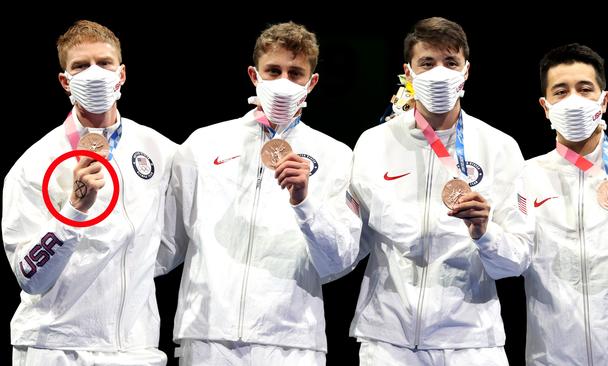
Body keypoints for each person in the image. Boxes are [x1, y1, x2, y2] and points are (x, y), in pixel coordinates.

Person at [156, 21, 361, 365]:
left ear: (312, 83)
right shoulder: (204, 144)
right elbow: (166, 244)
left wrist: (304, 203)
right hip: (208, 335)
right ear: (254, 75)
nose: (283, 82)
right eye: (273, 70)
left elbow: (340, 260)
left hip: (292, 340)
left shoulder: (337, 155)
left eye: (295, 73)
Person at [348, 17, 534, 365]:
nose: (439, 73)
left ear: (466, 71)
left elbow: (518, 259)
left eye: (450, 63)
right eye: (427, 63)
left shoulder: (499, 146)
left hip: (472, 341)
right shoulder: (373, 144)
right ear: (409, 72)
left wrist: (485, 234)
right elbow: (348, 248)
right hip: (388, 342)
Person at [2, 20, 176, 365]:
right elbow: (28, 276)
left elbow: (173, 242)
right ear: (66, 81)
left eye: (105, 63)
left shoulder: (161, 150)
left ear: (122, 74)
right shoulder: (34, 164)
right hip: (56, 347)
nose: (94, 74)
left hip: (136, 347)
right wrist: (75, 211)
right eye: (81, 66)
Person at [521, 43, 608, 365]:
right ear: (545, 106)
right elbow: (509, 262)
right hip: (551, 355)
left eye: (585, 89)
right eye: (561, 92)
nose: (574, 100)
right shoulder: (524, 175)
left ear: (604, 100)